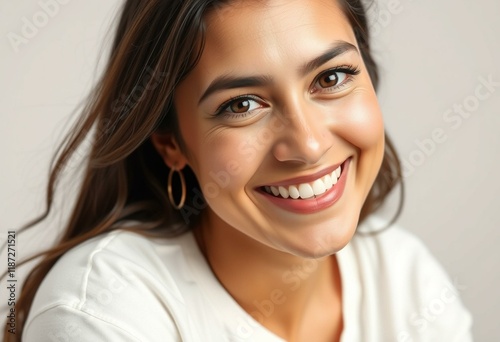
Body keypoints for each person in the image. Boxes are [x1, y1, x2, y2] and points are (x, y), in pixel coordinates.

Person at [3, 0, 473, 341]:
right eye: (242, 105)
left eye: (331, 78)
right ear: (171, 144)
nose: (308, 145)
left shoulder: (404, 277)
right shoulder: (102, 312)